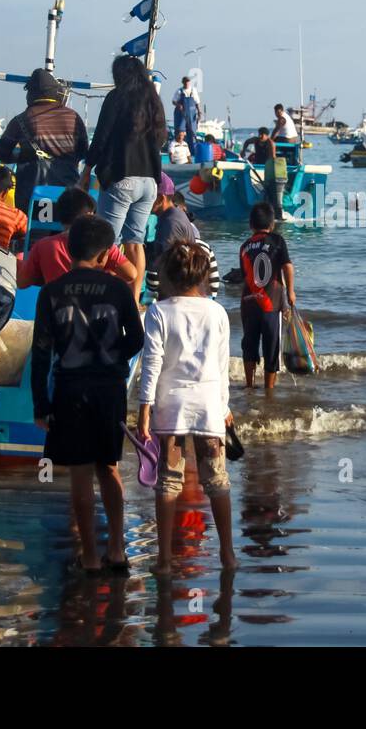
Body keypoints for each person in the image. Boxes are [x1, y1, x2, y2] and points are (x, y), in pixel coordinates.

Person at [31, 215, 145, 575]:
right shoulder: (117, 289)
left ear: (67, 247)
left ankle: (91, 557)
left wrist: (40, 404)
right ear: (104, 255)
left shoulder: (52, 292)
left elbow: (40, 352)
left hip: (69, 388)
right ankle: (117, 549)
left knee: (80, 475)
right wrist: (111, 356)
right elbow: (137, 339)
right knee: (108, 468)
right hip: (108, 388)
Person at [137, 241, 237, 575]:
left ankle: (164, 560)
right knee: (217, 480)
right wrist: (225, 407)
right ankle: (227, 554)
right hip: (209, 404)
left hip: (171, 405)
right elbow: (222, 367)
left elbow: (151, 363)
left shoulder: (158, 311)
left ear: (168, 274)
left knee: (168, 481)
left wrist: (144, 408)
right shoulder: (217, 312)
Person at [82, 55, 168, 289]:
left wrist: (87, 168)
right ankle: (133, 297)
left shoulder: (116, 98)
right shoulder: (154, 101)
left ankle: (103, 291)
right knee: (135, 243)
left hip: (121, 177)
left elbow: (101, 137)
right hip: (149, 180)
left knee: (106, 241)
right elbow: (161, 139)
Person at [0, 69, 89, 218]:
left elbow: (1, 153)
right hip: (68, 193)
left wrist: (23, 156)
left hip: (31, 194)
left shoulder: (20, 120)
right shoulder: (73, 117)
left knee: (31, 232)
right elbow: (84, 152)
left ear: (30, 94)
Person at [16, 187, 140, 293]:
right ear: (90, 214)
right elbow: (131, 275)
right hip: (94, 310)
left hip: (58, 311)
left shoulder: (42, 246)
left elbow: (22, 282)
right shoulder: (101, 242)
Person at [239, 201, 295, 390]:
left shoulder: (244, 246)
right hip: (271, 304)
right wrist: (291, 293)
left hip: (249, 304)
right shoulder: (278, 241)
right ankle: (269, 390)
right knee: (271, 348)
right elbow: (287, 266)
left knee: (249, 345)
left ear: (250, 225)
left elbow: (245, 276)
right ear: (271, 225)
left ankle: (249, 385)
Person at [171, 76, 199, 151]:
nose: (187, 83)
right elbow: (173, 101)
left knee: (192, 132)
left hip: (191, 114)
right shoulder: (179, 91)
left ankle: (192, 151)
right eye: (185, 81)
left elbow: (197, 102)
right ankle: (178, 149)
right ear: (183, 82)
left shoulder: (193, 90)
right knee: (180, 131)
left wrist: (199, 112)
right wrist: (178, 105)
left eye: (188, 81)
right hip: (181, 114)